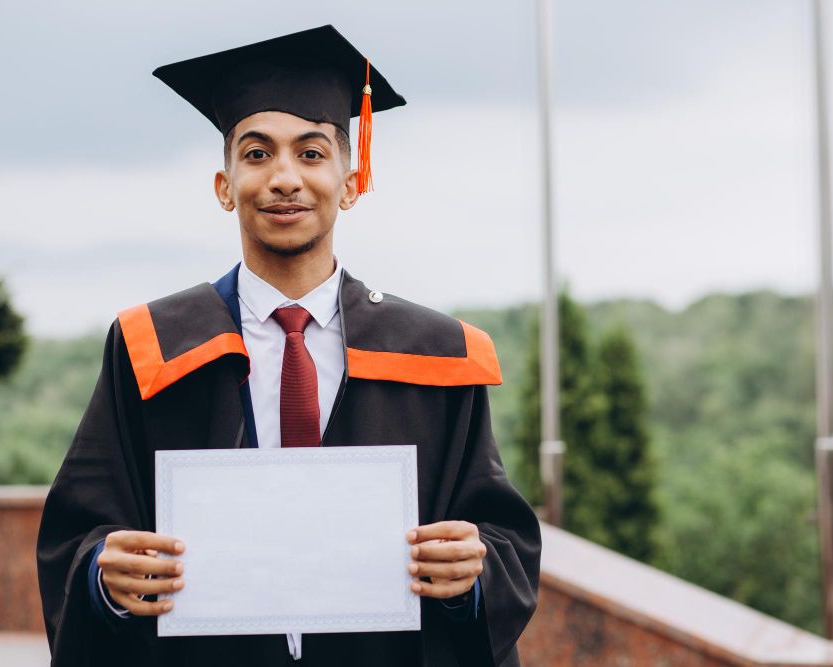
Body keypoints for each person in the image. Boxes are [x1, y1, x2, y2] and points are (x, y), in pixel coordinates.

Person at [36, 24, 541, 667]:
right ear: (224, 186)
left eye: (310, 153)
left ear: (350, 182)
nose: (283, 178)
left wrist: (472, 571)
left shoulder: (437, 355)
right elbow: (78, 532)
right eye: (256, 154)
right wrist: (102, 581)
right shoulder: (152, 345)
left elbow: (501, 539)